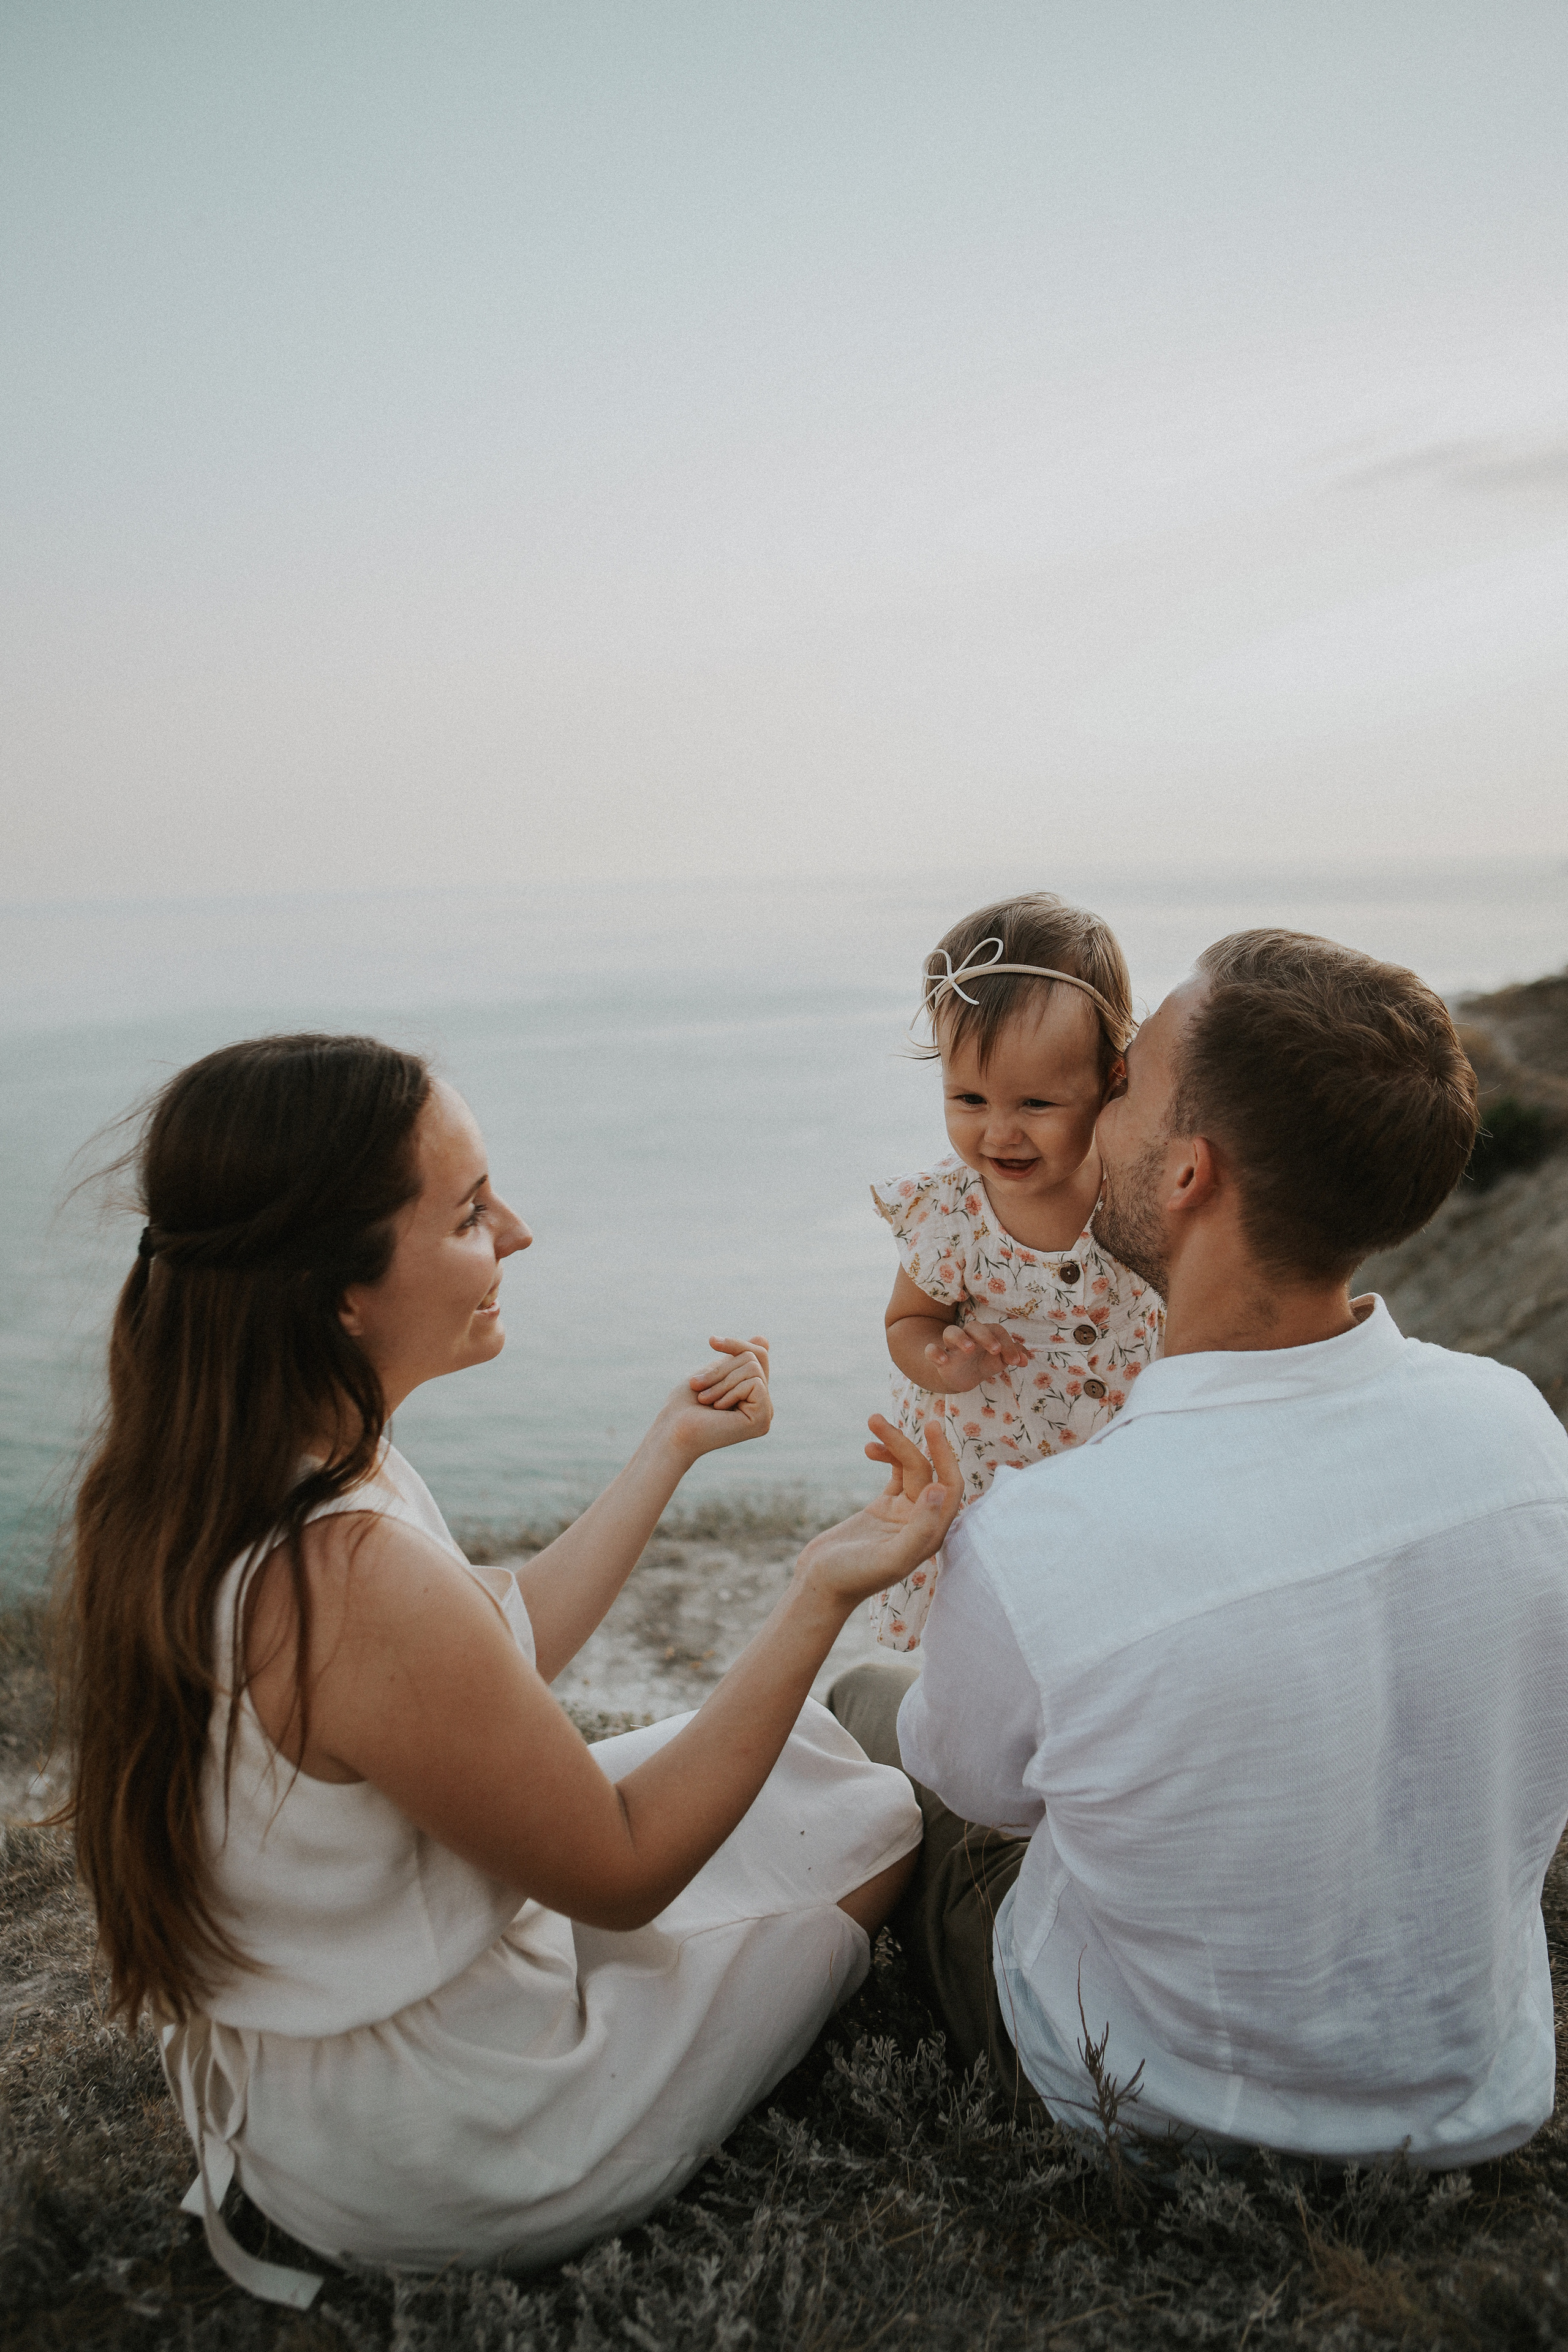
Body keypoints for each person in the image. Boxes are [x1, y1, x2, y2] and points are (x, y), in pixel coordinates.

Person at [60, 1033, 964, 2308]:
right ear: (339, 1293)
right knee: (868, 1817)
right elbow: (621, 1872)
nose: (520, 1234)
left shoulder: (238, 1464)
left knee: (814, 1760)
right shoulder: (341, 1578)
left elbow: (490, 1641)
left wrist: (667, 1448)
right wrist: (821, 1588)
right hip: (441, 2129)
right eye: (473, 1213)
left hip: (329, 2068)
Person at [832, 930, 1568, 2167]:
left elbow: (974, 1791)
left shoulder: (1046, 1534)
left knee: (862, 1699)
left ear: (1184, 1176)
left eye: (1120, 1083)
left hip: (1147, 2103)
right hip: (1471, 2093)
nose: (1091, 1105)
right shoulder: (1518, 1433)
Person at [869, 894, 1164, 1649]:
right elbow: (908, 1322)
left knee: (1110, 1625)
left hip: (1117, 1455)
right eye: (967, 1099)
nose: (998, 1132)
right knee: (988, 1633)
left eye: (1035, 1102)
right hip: (985, 1468)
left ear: (1111, 1079)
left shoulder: (1138, 1185)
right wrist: (944, 1362)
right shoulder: (953, 1214)